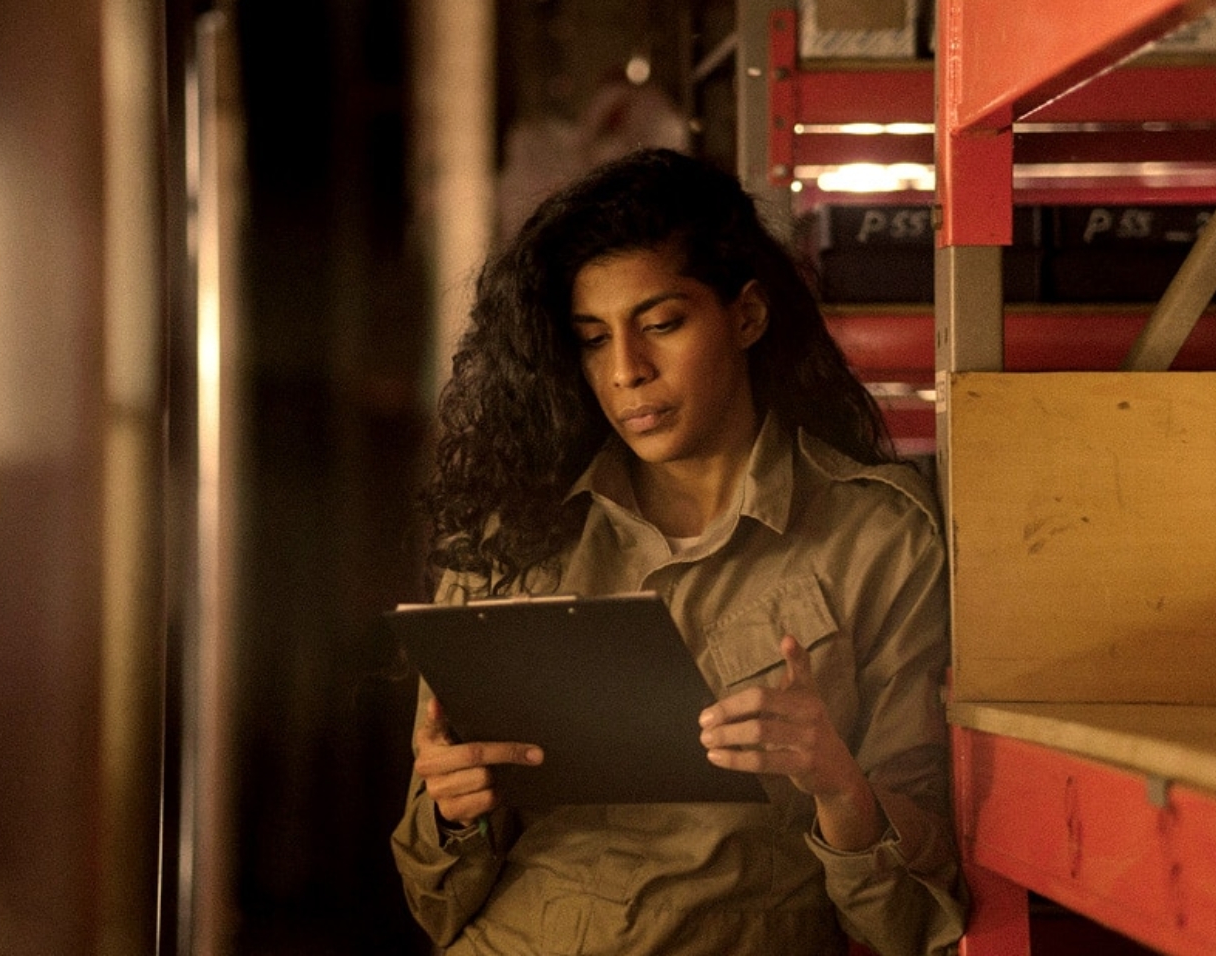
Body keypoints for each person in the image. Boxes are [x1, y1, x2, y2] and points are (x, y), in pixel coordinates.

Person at [390, 147, 966, 956]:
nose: (626, 370)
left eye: (662, 323)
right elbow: (434, 904)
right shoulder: (511, 540)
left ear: (747, 315)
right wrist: (452, 812)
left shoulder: (876, 538)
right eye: (593, 339)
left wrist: (838, 781)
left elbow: (913, 921)